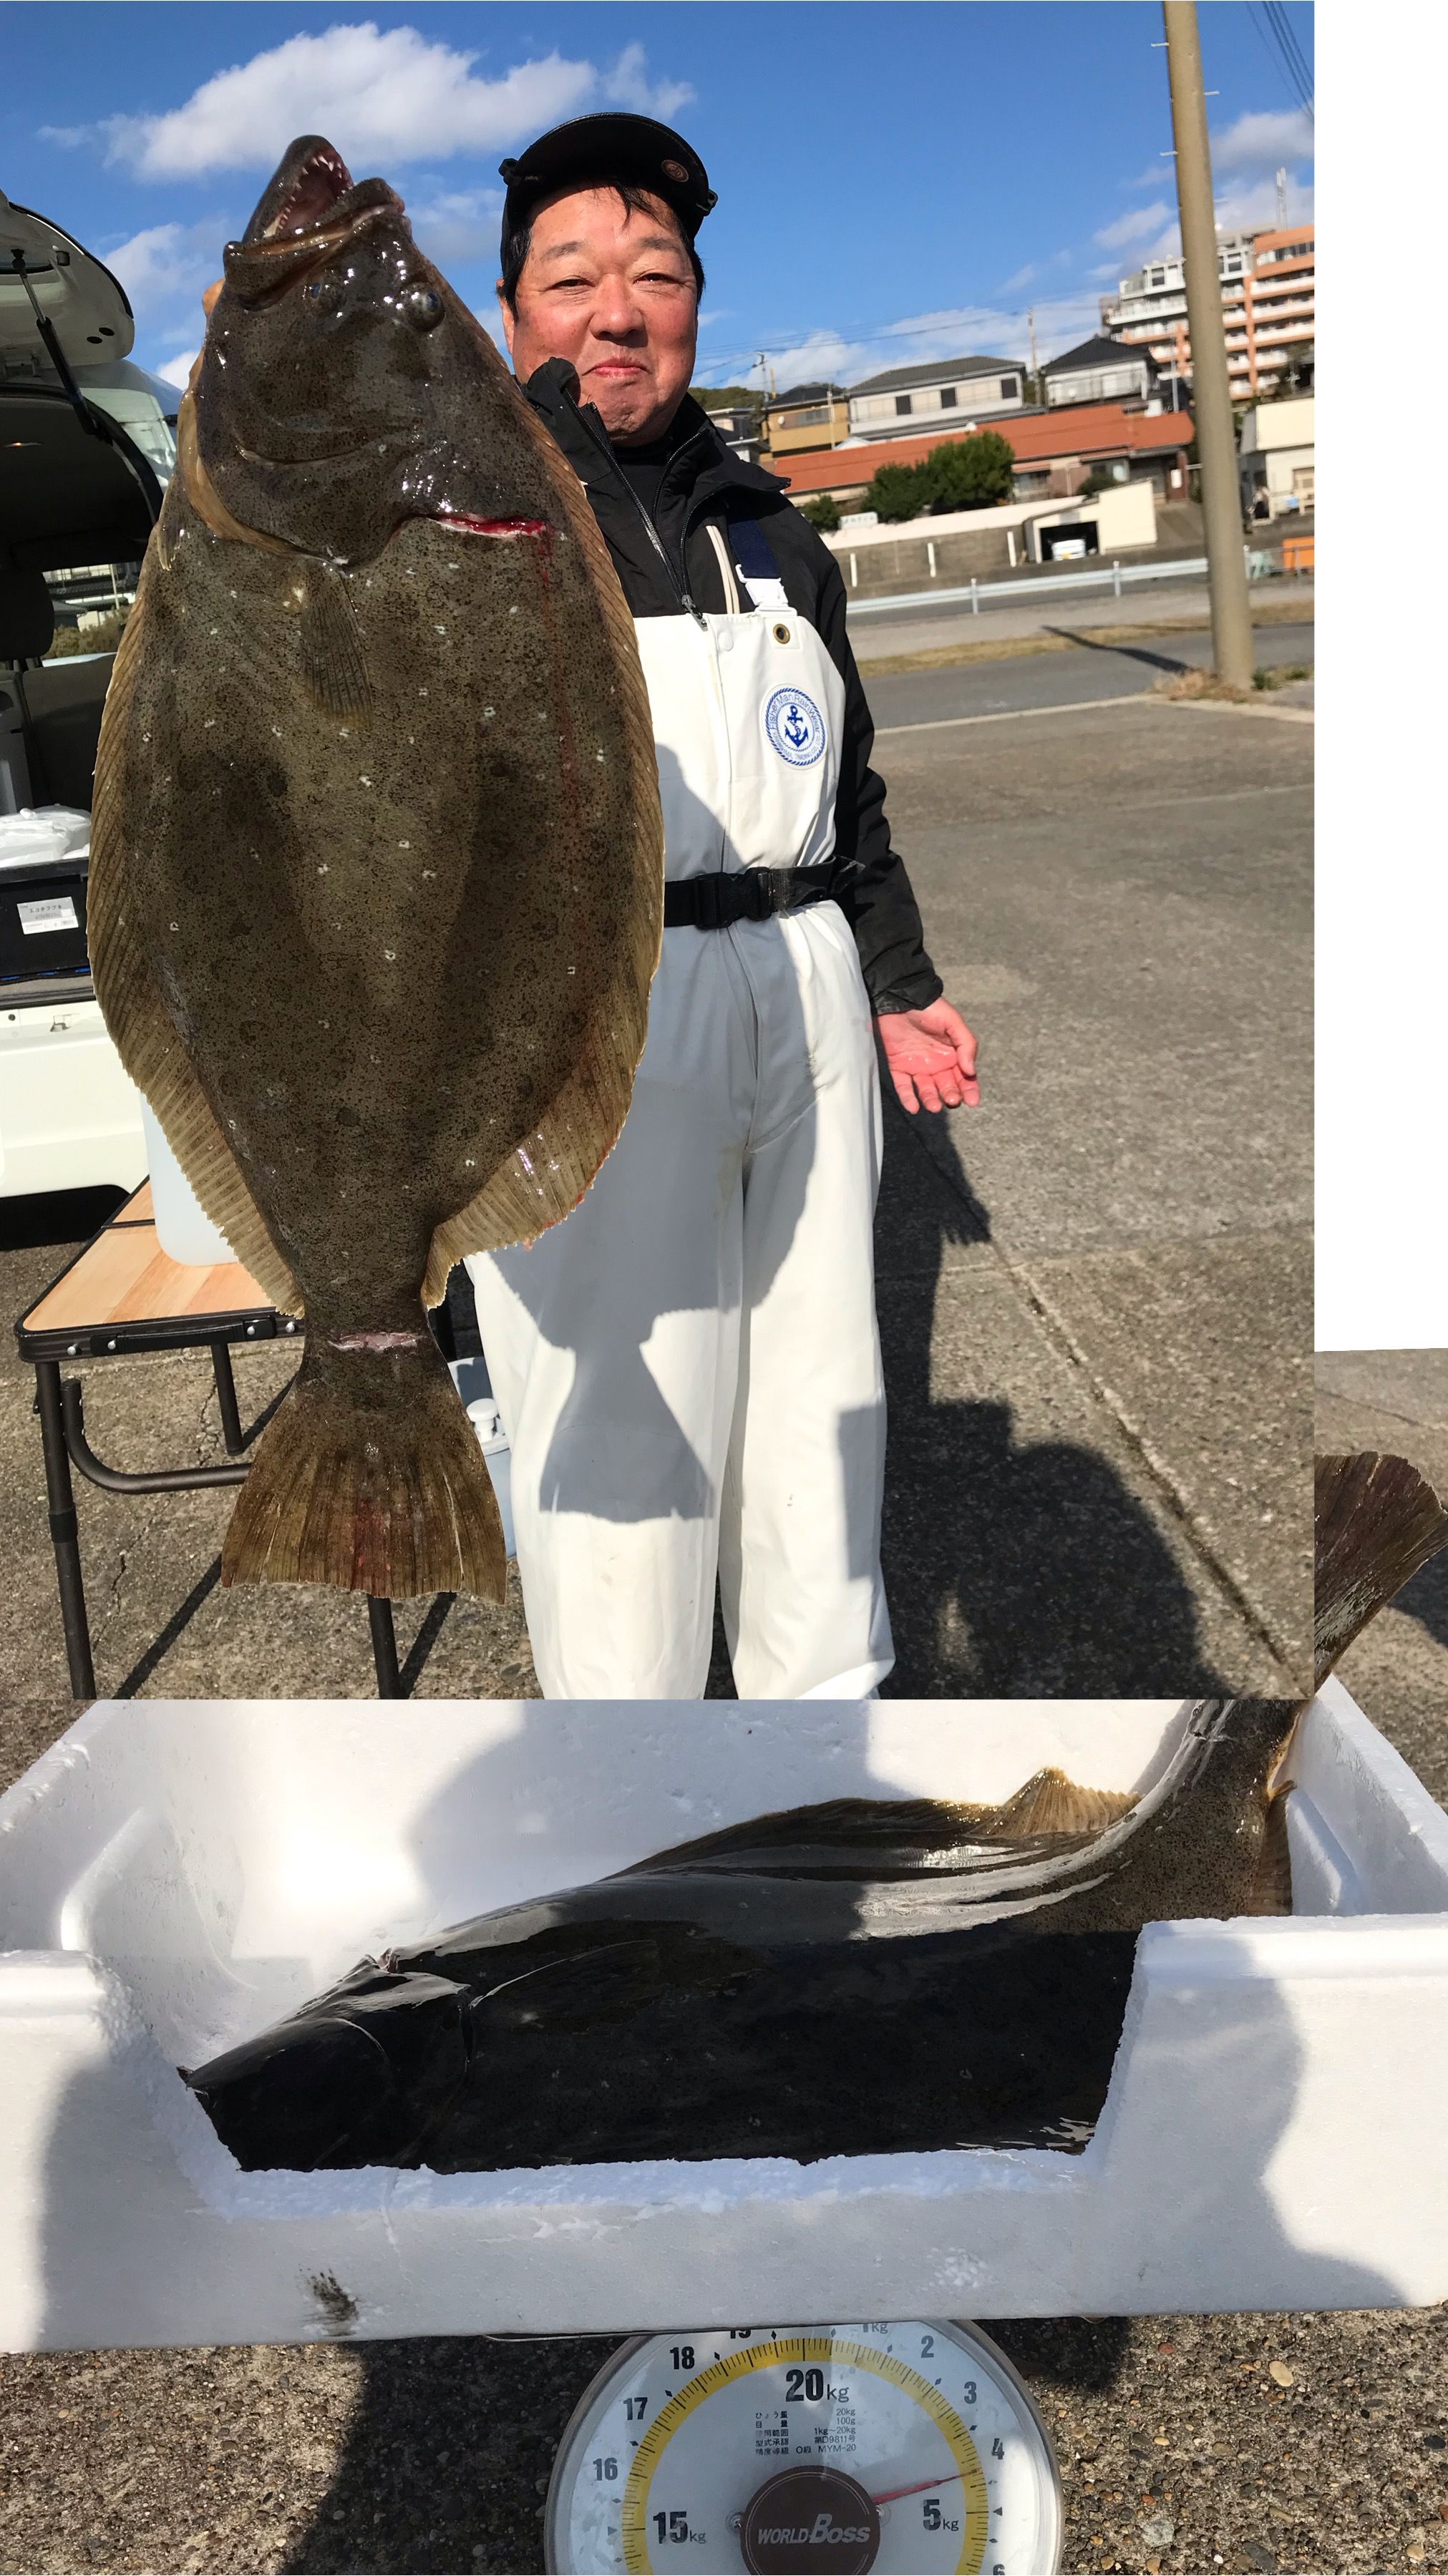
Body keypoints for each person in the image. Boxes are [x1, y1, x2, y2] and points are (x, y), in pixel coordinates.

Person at [460, 111, 979, 1701]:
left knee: (821, 1393)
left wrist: (898, 981)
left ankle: (821, 1739)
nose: (619, 313)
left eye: (659, 275)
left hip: (804, 979)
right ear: (507, 313)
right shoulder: (460, 526)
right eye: (572, 279)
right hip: (594, 1007)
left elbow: (847, 783)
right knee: (618, 1424)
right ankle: (630, 1769)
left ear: (697, 304)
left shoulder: (766, 522)